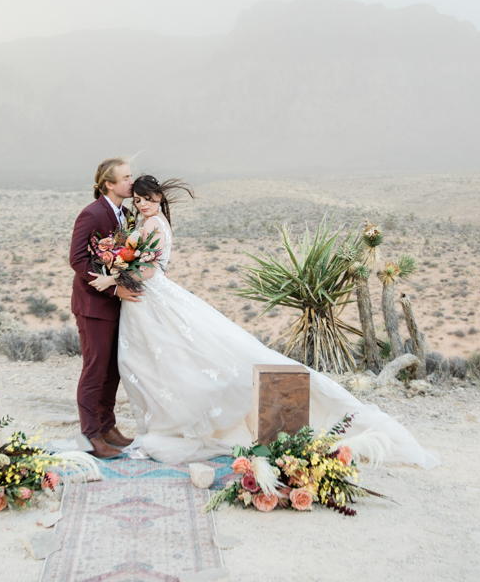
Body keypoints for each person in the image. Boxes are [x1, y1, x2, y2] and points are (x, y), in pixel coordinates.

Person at [89, 173, 440, 469]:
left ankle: (185, 423)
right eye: (136, 200)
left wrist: (113, 278)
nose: (142, 204)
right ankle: (171, 421)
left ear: (159, 197)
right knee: (151, 362)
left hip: (150, 298)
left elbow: (148, 269)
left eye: (147, 198)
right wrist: (119, 264)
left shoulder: (153, 224)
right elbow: (138, 262)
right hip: (145, 302)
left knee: (167, 360)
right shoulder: (148, 222)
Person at [68, 157, 143, 458]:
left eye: (130, 176)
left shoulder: (125, 214)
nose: (131, 182)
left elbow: (122, 257)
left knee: (112, 369)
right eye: (125, 178)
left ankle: (107, 426)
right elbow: (77, 259)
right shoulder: (91, 213)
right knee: (94, 370)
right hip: (93, 305)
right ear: (108, 184)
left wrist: (122, 280)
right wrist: (108, 283)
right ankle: (90, 435)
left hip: (115, 303)